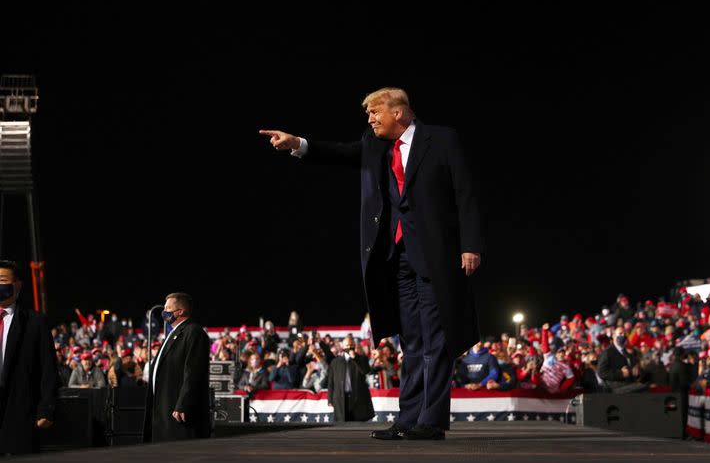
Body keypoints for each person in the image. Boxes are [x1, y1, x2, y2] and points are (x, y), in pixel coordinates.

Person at [261, 87, 485, 440]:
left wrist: (470, 245)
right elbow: (340, 153)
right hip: (396, 257)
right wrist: (298, 144)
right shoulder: (375, 144)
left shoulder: (442, 140)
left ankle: (431, 420)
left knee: (435, 340)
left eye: (374, 113)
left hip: (436, 257)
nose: (370, 120)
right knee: (410, 341)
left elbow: (465, 193)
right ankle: (408, 419)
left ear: (398, 112)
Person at [0, 260, 59, 454]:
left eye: (2, 280)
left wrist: (46, 408)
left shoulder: (35, 323)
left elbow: (48, 369)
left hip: (19, 415)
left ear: (17, 284)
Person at [146, 292, 211, 443]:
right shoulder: (173, 333)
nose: (164, 311)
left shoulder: (193, 332)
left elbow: (193, 372)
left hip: (178, 411)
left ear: (180, 311)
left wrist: (183, 403)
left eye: (168, 308)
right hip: (163, 408)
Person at [327, 335, 374, 422]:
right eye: (347, 345)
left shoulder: (362, 358)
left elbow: (365, 371)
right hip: (341, 399)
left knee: (358, 426)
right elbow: (330, 382)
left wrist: (355, 358)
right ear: (343, 346)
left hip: (357, 399)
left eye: (351, 344)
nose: (349, 347)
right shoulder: (335, 362)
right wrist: (330, 399)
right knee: (342, 427)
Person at [598, 326, 645, 393]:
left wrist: (637, 371)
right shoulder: (608, 353)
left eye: (624, 334)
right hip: (616, 389)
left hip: (629, 386)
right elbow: (601, 372)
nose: (623, 336)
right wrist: (620, 373)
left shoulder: (627, 352)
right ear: (614, 336)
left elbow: (633, 369)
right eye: (620, 333)